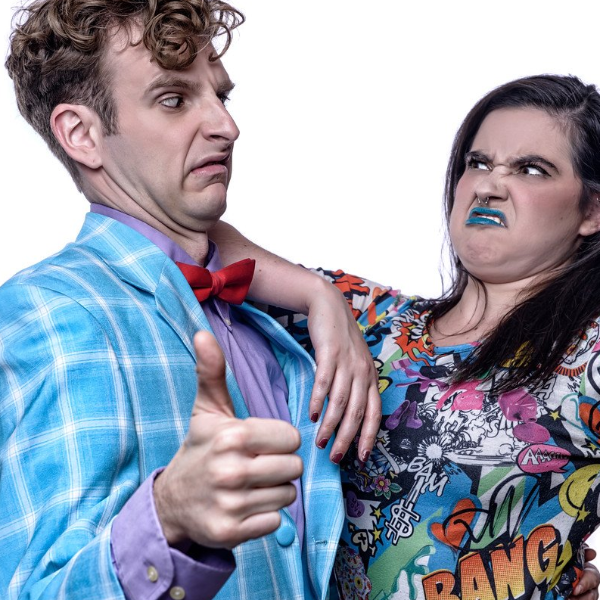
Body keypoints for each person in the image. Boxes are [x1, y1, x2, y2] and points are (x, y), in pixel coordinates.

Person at [0, 1, 382, 598]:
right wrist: (168, 515)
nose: (226, 127)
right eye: (174, 99)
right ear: (82, 134)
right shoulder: (56, 313)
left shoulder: (266, 312)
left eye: (220, 96)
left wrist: (319, 293)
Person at [212, 74, 600, 599]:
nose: (488, 186)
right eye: (478, 163)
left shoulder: (585, 359)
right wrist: (317, 294)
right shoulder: (370, 318)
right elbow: (193, 236)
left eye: (531, 169)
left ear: (592, 211)